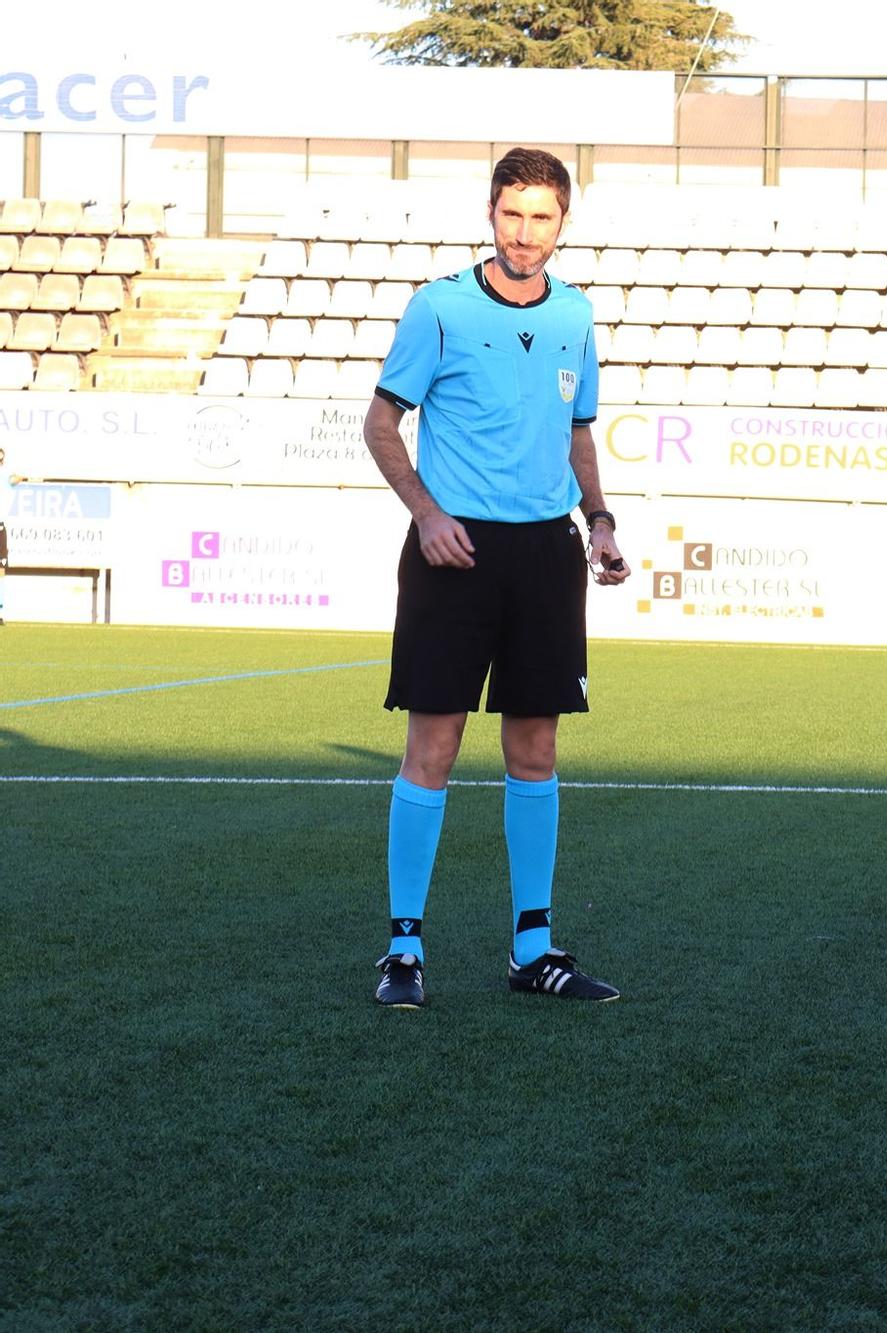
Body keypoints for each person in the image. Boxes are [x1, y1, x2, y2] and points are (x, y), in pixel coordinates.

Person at [361, 147, 630, 1009]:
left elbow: (579, 432)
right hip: (456, 553)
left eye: (542, 217)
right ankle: (403, 951)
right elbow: (380, 424)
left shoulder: (577, 316)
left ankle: (534, 949)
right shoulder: (438, 307)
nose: (525, 233)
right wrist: (426, 514)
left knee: (537, 748)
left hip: (546, 555)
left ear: (564, 223)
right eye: (512, 214)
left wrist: (600, 522)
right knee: (433, 746)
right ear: (490, 213)